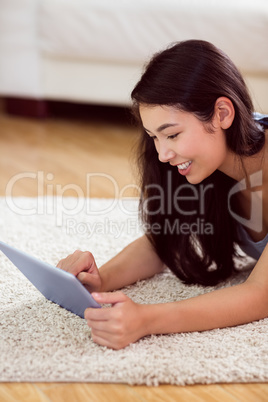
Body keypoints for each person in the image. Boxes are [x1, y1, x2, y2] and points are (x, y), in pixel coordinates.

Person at [57, 40, 268, 350]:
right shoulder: (209, 163)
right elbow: (167, 240)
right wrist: (100, 280)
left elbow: (260, 295)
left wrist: (146, 319)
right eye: (154, 136)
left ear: (222, 113)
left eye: (172, 134)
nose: (162, 153)